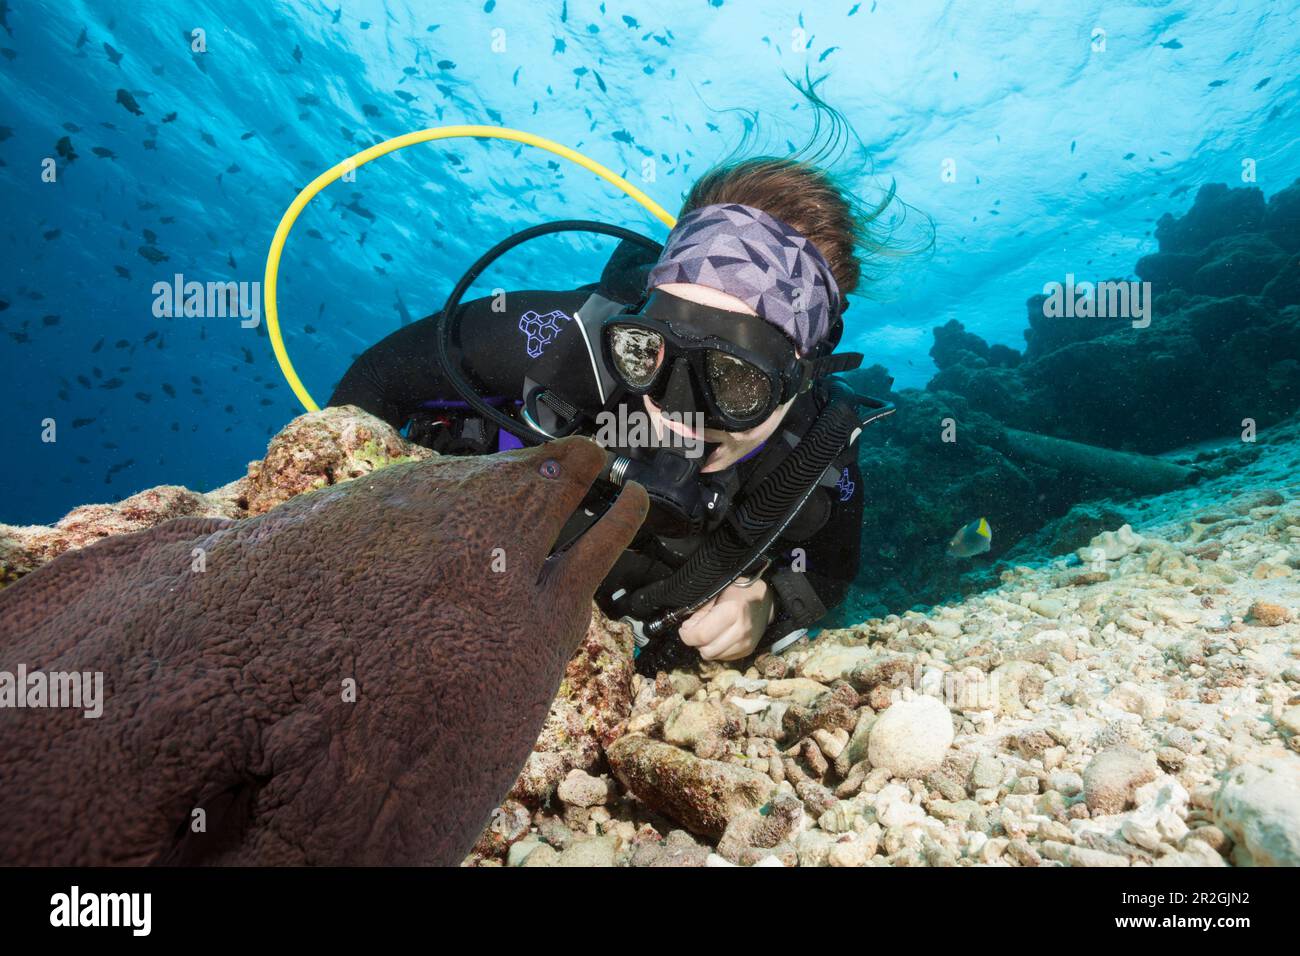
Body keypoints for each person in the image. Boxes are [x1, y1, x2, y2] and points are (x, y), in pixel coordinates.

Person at [329, 155, 893, 674]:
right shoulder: (555, 340)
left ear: (804, 373)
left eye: (735, 380)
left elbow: (828, 571)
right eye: (648, 353)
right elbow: (378, 379)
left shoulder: (816, 450)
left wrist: (767, 608)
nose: (678, 414)